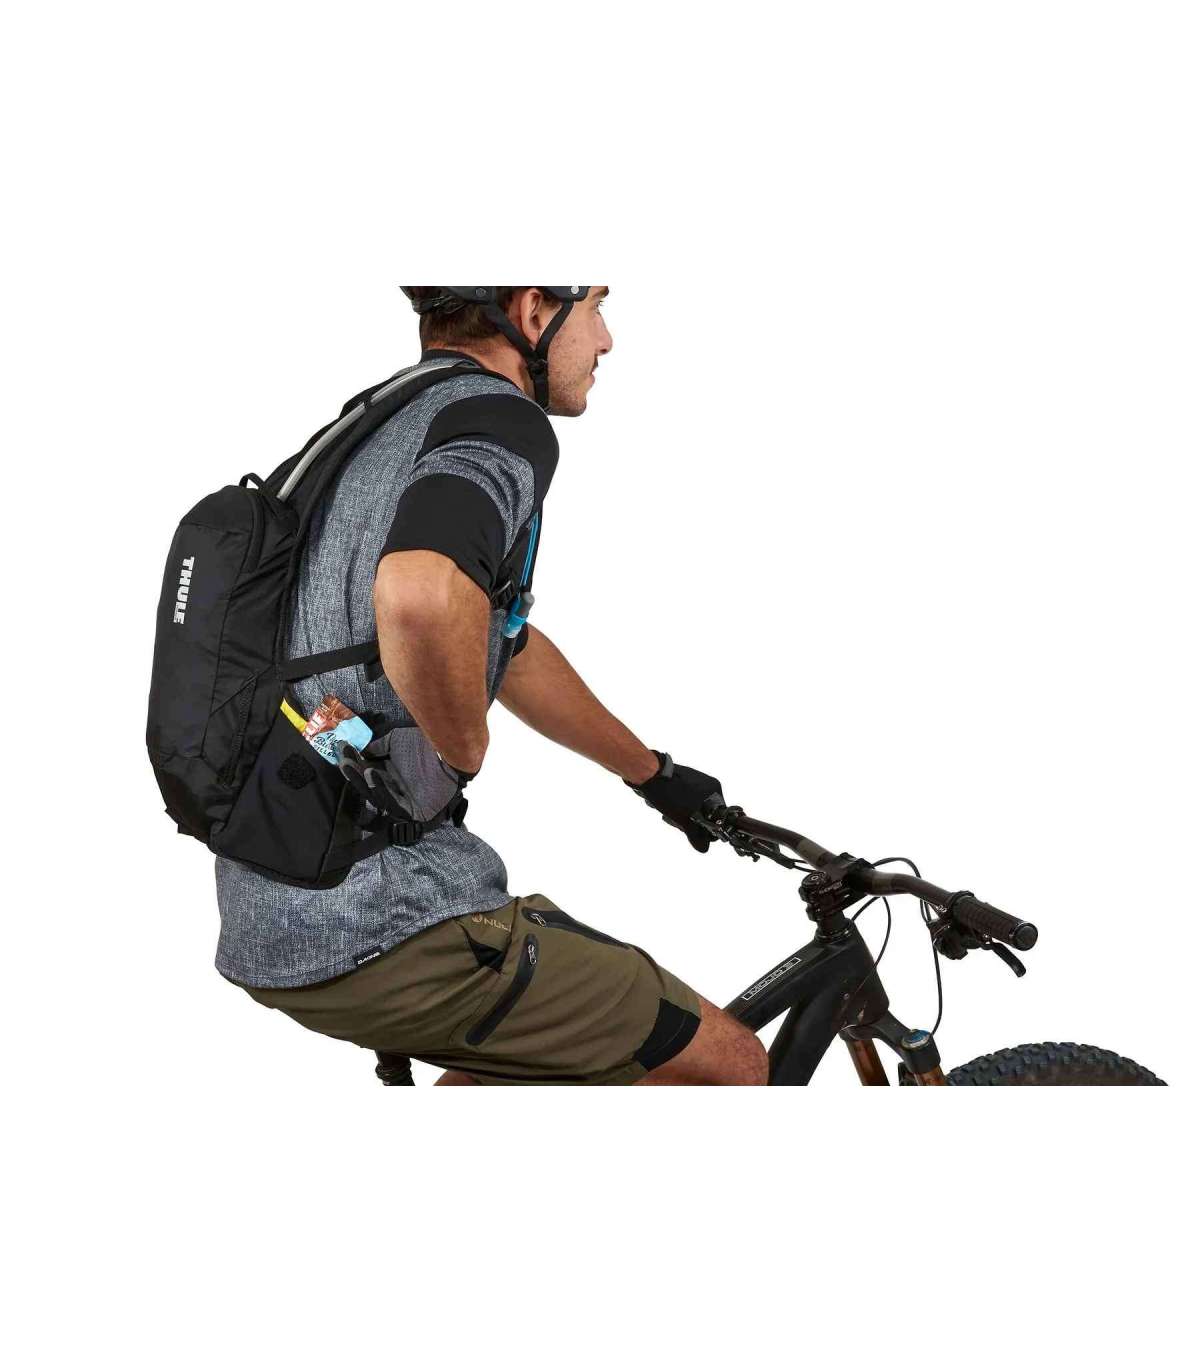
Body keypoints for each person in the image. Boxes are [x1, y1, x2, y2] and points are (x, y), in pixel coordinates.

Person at [215, 286, 768, 1086]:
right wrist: (461, 747)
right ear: (535, 310)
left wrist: (653, 774)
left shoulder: (380, 419)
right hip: (389, 920)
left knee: (527, 1059)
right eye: (596, 307)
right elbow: (421, 596)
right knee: (733, 1065)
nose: (606, 340)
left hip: (271, 913)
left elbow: (502, 643)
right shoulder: (501, 419)